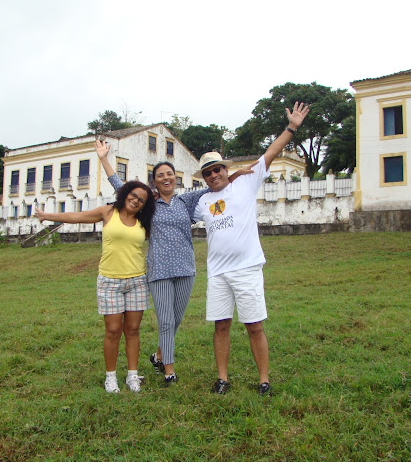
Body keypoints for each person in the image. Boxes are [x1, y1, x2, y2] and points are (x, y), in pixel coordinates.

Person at [95, 140, 251, 386]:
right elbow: (121, 187)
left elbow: (215, 185)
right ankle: (169, 371)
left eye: (169, 174)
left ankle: (158, 355)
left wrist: (237, 173)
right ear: (154, 181)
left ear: (175, 178)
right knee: (166, 321)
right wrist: (104, 158)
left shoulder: (186, 201)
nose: (166, 178)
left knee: (176, 320)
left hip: (186, 269)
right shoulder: (148, 205)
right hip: (159, 272)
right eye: (160, 175)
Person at [192, 101, 310, 396]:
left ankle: (264, 379)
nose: (213, 175)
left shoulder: (245, 182)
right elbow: (171, 203)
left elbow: (270, 152)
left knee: (254, 326)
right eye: (207, 173)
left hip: (246, 268)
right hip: (218, 273)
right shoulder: (202, 201)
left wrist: (292, 127)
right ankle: (222, 378)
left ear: (224, 168)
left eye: (217, 170)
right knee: (221, 326)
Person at [35, 180, 155, 393]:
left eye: (141, 200)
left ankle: (132, 376)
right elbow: (77, 217)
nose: (136, 201)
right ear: (126, 193)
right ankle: (111, 377)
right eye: (134, 196)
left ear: (144, 205)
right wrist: (48, 216)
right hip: (109, 281)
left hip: (137, 280)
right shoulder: (108, 212)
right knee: (113, 330)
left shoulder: (143, 223)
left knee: (133, 330)